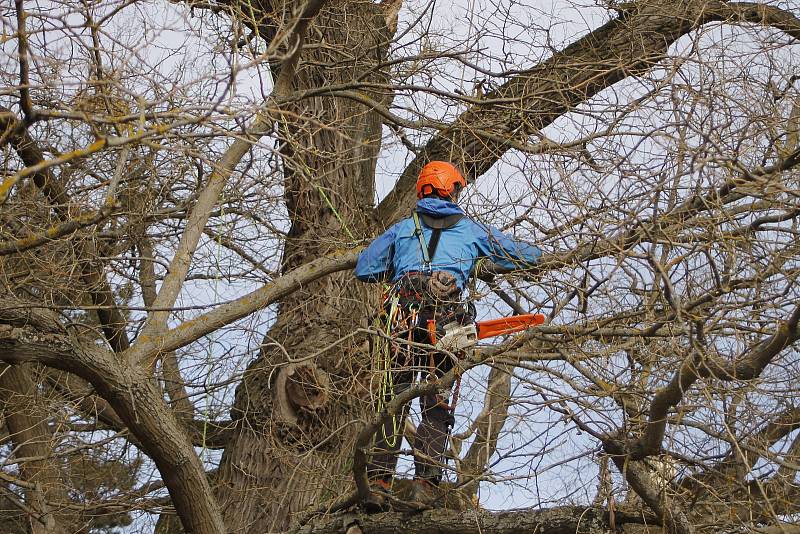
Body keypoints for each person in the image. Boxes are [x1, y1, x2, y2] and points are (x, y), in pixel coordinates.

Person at [355, 160, 541, 509]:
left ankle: (379, 482)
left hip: (402, 322)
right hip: (446, 325)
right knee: (436, 405)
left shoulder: (401, 230)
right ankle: (425, 483)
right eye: (456, 189)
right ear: (449, 188)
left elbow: (365, 268)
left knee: (394, 399)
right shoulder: (470, 231)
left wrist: (398, 266)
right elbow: (522, 255)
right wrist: (537, 256)